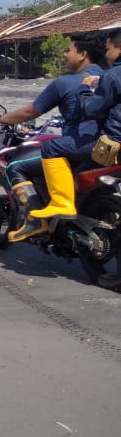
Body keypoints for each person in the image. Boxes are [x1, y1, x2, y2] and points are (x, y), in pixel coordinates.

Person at [0, 34, 104, 242]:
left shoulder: (66, 83)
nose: (65, 54)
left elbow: (30, 113)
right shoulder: (110, 77)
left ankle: (34, 221)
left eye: (69, 50)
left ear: (83, 54)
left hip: (79, 146)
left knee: (16, 166)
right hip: (107, 146)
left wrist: (1, 117)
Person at [75, 29, 121, 287]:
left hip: (113, 146)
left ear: (118, 48)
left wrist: (84, 91)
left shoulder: (113, 76)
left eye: (108, 48)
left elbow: (93, 110)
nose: (106, 53)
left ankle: (70, 223)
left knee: (77, 176)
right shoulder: (109, 76)